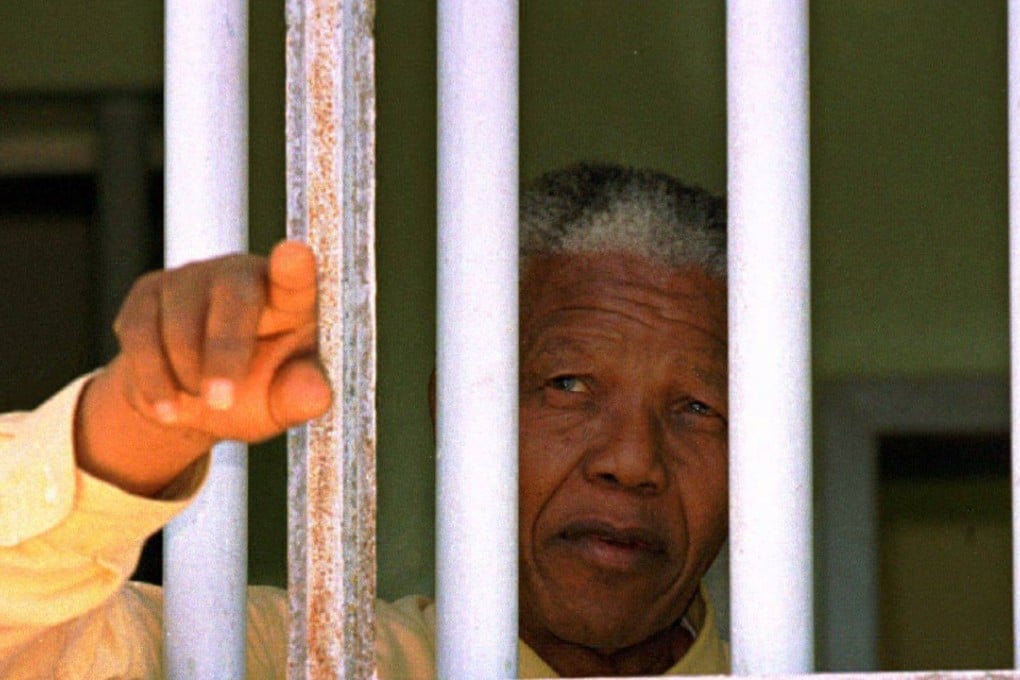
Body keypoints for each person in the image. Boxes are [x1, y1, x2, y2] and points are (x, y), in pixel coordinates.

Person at [0, 163, 729, 677]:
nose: (632, 462)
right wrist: (136, 423)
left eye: (699, 409)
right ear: (462, 413)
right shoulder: (297, 661)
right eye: (568, 385)